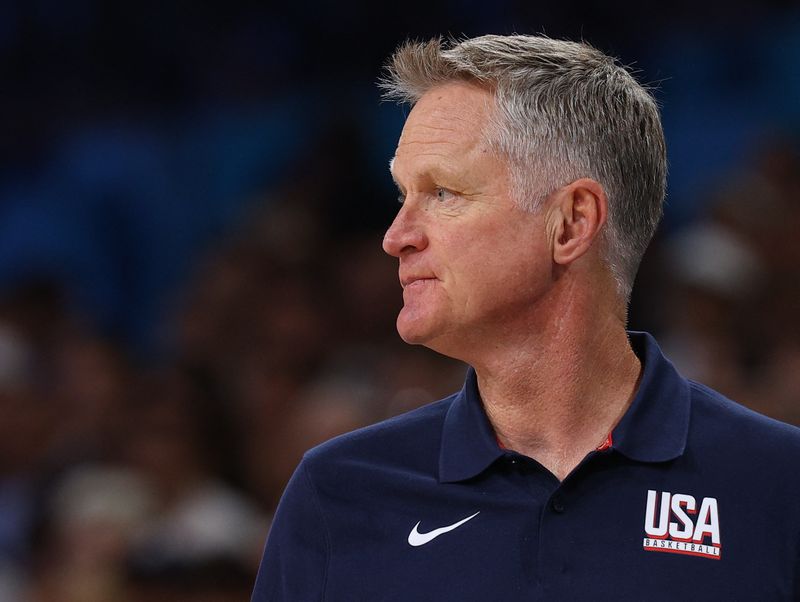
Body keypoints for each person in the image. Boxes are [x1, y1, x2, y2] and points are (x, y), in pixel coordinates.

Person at [251, 34, 800, 600]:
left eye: (442, 193)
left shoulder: (780, 486)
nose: (396, 237)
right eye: (402, 196)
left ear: (570, 223)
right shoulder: (340, 494)